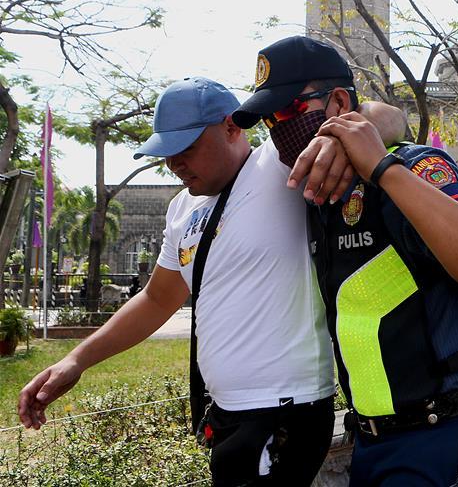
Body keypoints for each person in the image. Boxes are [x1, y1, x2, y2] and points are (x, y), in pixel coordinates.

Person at [18, 76, 402, 486]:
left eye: (186, 148)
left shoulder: (278, 162)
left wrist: (337, 139)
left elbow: (390, 118)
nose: (174, 164)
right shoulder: (181, 209)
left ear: (231, 126)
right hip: (225, 412)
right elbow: (156, 299)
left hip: (285, 410)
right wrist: (76, 360)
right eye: (167, 153)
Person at [231, 35, 458, 487]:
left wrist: (380, 167)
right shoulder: (315, 191)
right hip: (371, 440)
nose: (278, 129)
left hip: (441, 432)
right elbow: (383, 113)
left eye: (289, 111)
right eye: (269, 120)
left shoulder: (410, 167)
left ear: (337, 102)